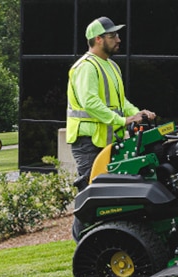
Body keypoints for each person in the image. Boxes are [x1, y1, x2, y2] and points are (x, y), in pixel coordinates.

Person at [66, 16, 156, 191]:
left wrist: (138, 114)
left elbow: (121, 102)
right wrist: (123, 121)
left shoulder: (112, 66)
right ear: (98, 39)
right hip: (88, 143)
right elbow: (90, 103)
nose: (118, 39)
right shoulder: (86, 67)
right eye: (112, 36)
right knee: (92, 195)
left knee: (109, 196)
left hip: (108, 141)